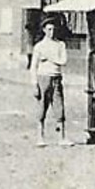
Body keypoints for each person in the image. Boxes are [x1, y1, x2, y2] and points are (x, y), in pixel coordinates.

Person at [28, 18, 73, 147]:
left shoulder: (60, 45)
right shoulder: (39, 46)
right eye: (49, 29)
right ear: (44, 30)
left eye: (53, 29)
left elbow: (63, 61)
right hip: (43, 78)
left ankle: (62, 138)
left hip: (56, 78)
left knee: (59, 108)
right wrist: (34, 84)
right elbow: (33, 67)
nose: (51, 32)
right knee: (42, 108)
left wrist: (48, 57)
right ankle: (40, 137)